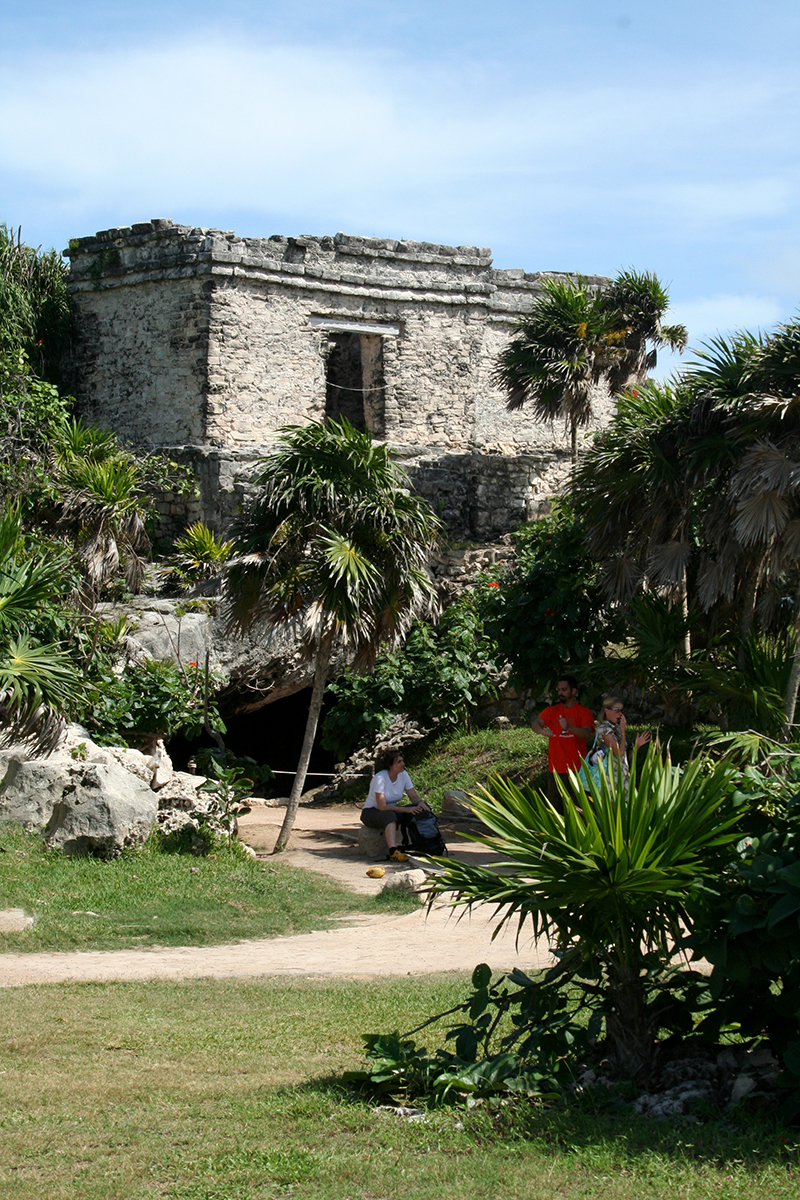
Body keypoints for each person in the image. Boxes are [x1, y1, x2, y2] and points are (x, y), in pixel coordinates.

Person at [531, 675, 595, 809]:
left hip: (578, 770)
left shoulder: (584, 712)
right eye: (559, 690)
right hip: (556, 770)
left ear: (573, 691)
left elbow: (587, 733)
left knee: (580, 811)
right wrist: (541, 730)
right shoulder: (552, 711)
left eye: (564, 689)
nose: (560, 693)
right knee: (555, 811)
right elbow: (535, 724)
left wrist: (569, 727)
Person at [361, 747, 431, 863]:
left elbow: (413, 797)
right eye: (399, 762)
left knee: (420, 810)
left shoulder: (404, 775)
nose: (403, 764)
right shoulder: (379, 778)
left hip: (392, 811)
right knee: (390, 816)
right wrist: (405, 810)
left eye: (402, 761)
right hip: (372, 812)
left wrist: (421, 803)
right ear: (390, 765)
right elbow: (382, 806)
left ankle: (424, 844)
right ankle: (393, 851)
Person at [586, 695, 650, 791]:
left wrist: (637, 746)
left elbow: (624, 757)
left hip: (622, 780)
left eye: (621, 710)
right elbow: (619, 752)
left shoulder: (616, 730)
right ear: (606, 710)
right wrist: (623, 730)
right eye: (617, 710)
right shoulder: (604, 729)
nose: (620, 714)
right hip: (609, 783)